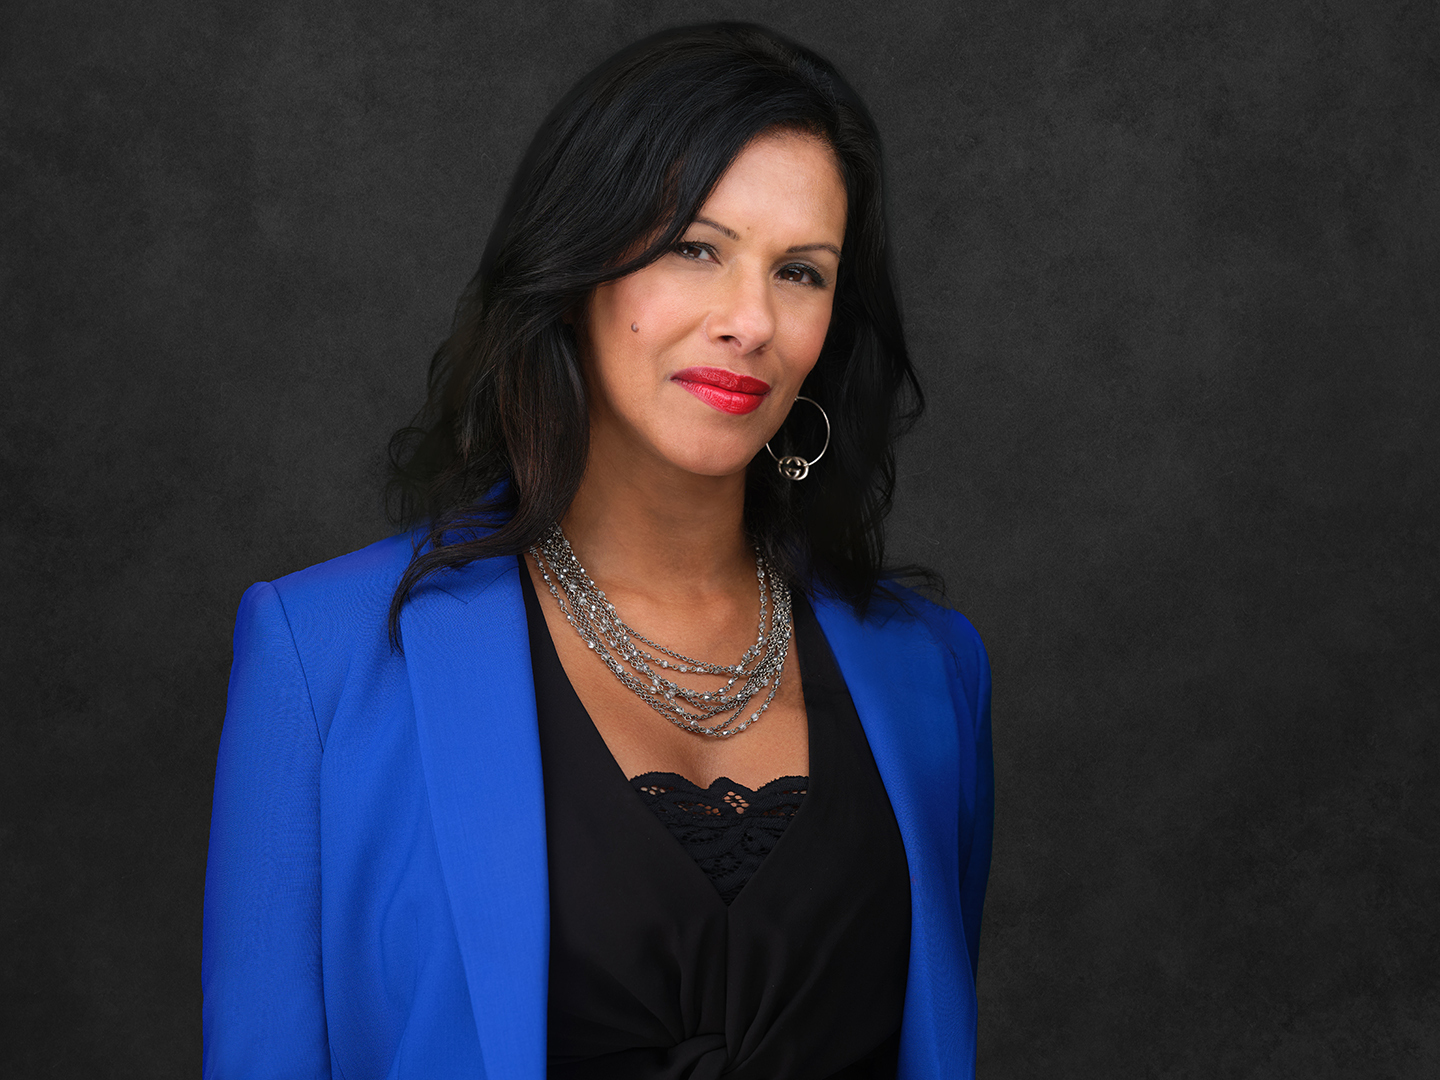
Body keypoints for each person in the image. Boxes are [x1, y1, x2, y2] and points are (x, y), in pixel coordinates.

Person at [202, 22, 992, 1080]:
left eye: (801, 272)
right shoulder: (322, 657)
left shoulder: (933, 673)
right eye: (697, 248)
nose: (751, 321)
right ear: (576, 267)